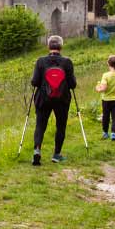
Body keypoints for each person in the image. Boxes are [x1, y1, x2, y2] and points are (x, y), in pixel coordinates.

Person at [29, 35, 76, 166]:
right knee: (60, 126)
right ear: (61, 47)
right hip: (62, 99)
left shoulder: (40, 61)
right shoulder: (67, 62)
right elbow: (72, 84)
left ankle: (37, 150)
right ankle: (56, 154)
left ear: (48, 46)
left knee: (40, 125)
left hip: (43, 99)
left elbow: (34, 82)